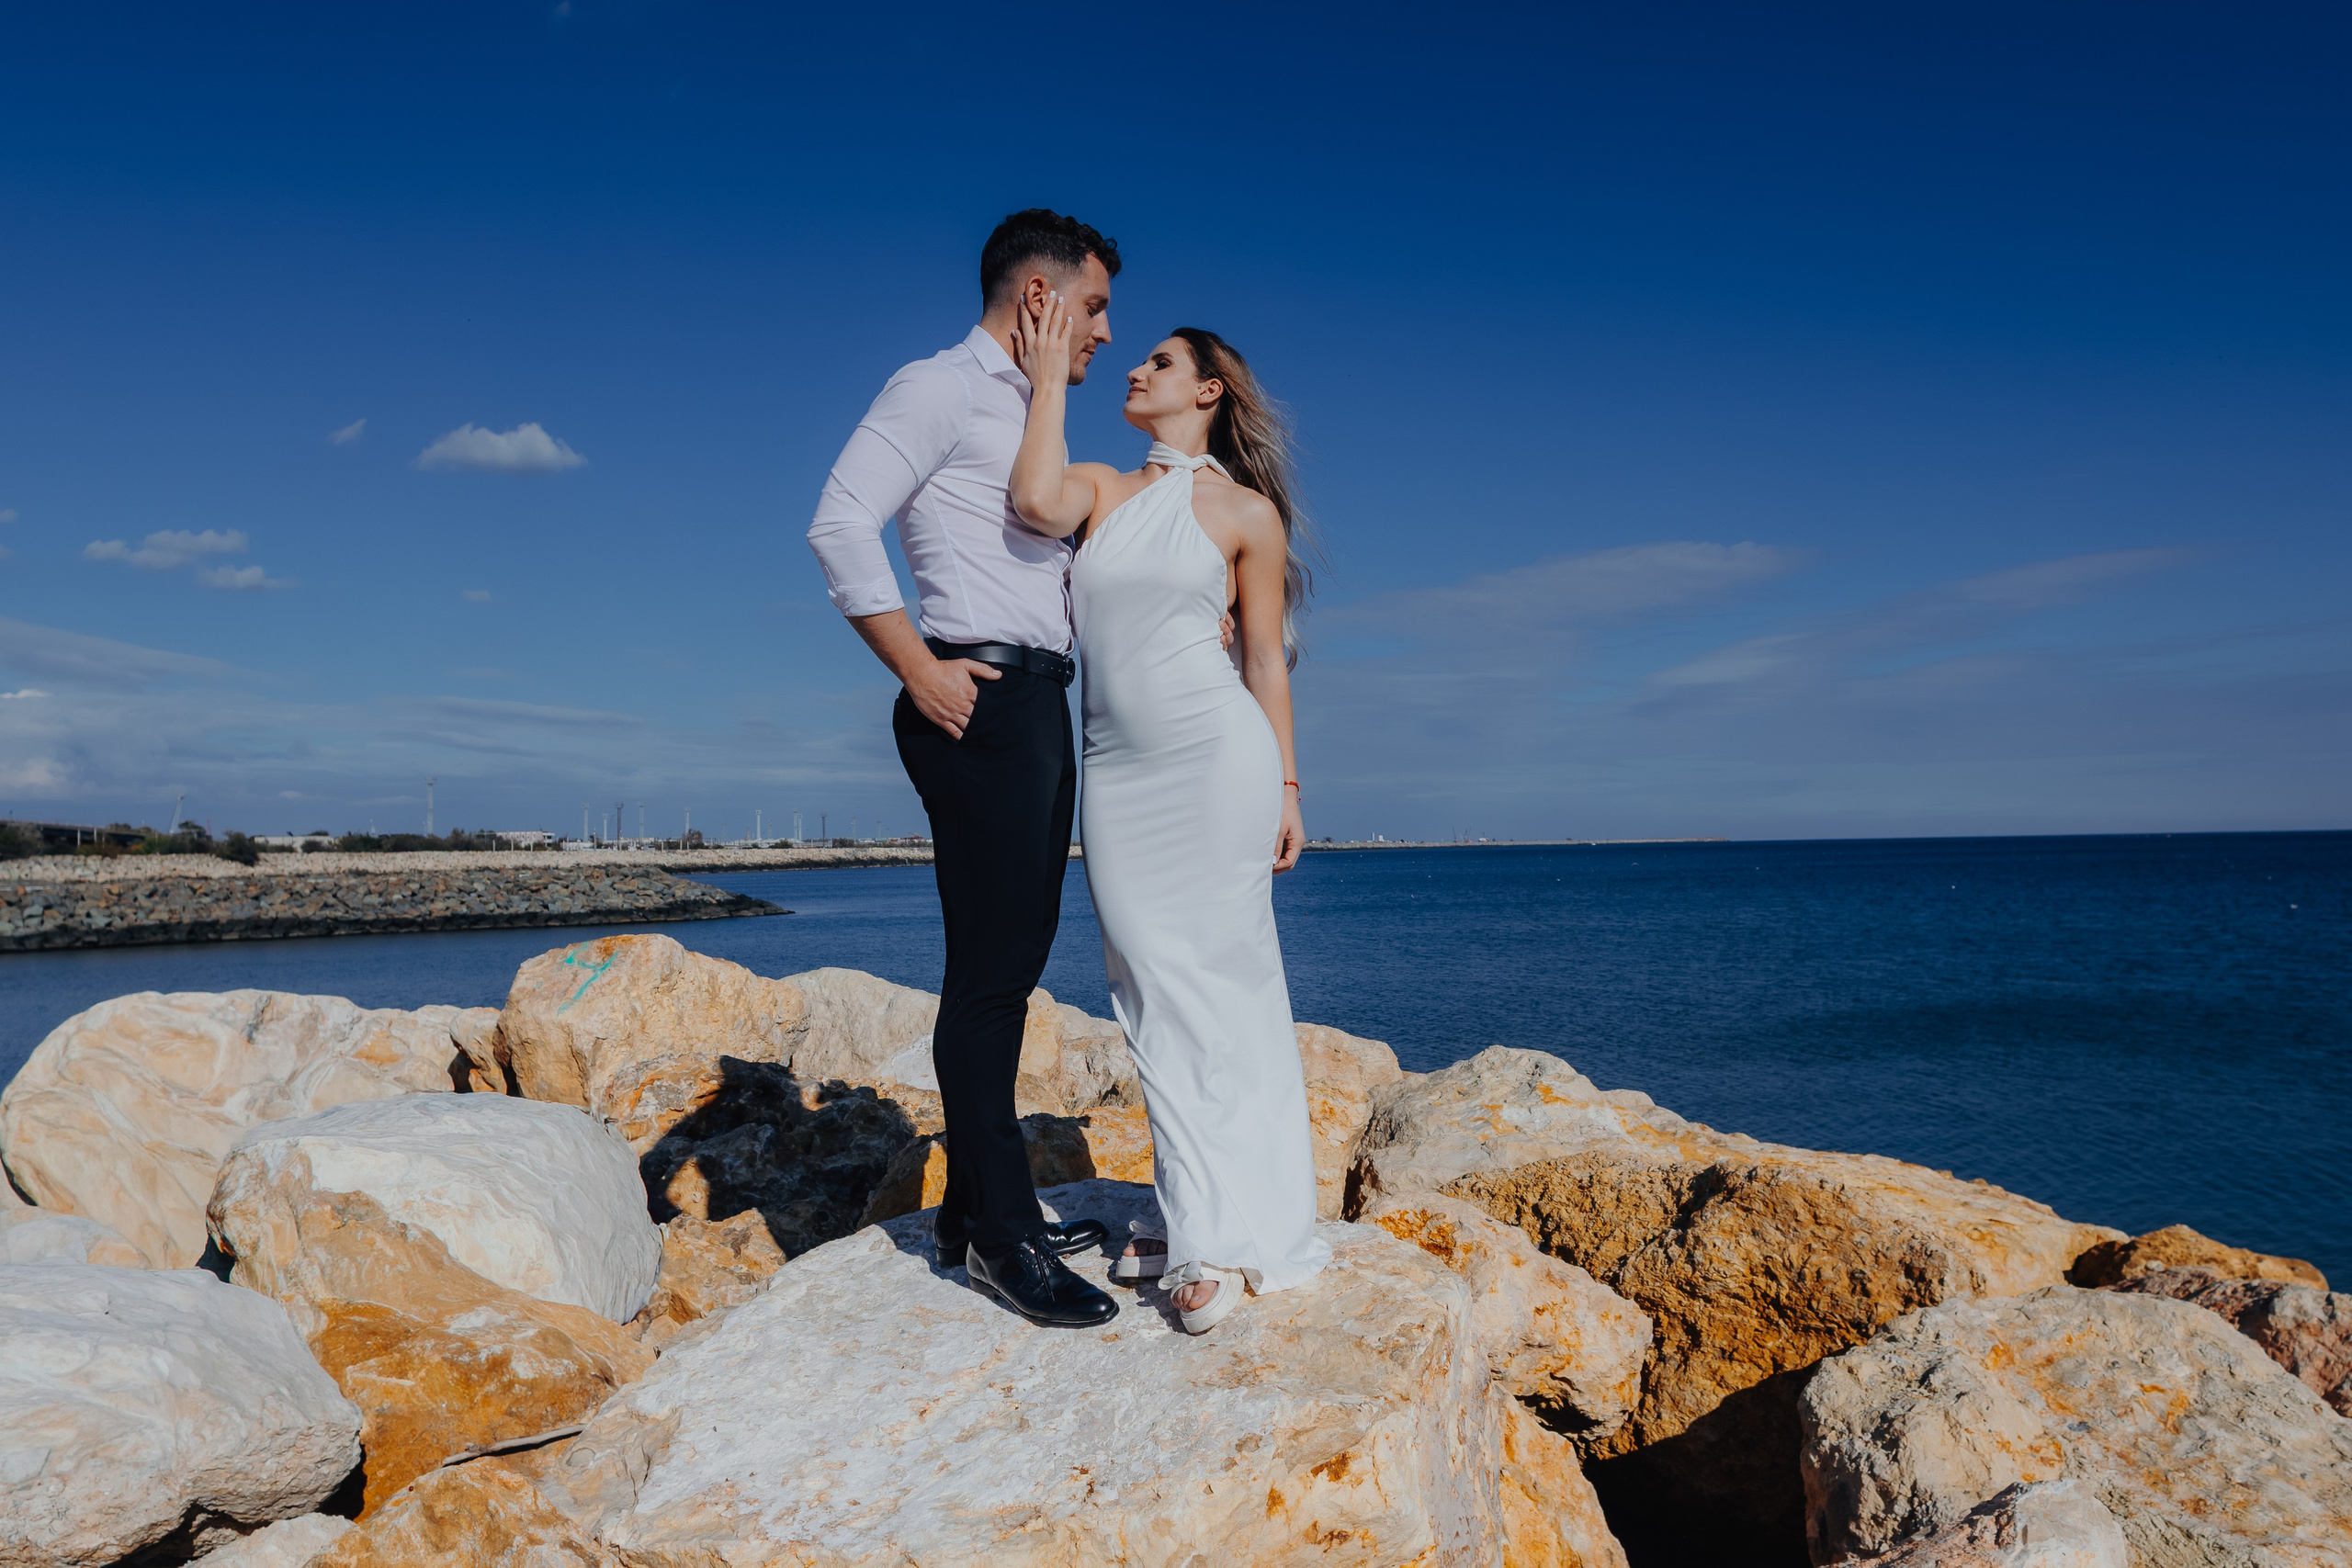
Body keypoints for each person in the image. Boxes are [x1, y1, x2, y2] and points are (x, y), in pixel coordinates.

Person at [806, 209, 1122, 1328]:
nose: (1101, 338)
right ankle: (999, 1238)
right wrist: (918, 668)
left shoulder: (1030, 410)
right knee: (990, 978)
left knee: (1012, 967)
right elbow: (839, 522)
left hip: (1036, 699)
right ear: (1037, 298)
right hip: (975, 700)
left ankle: (974, 1211)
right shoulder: (938, 386)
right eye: (1090, 310)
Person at [1006, 302, 1331, 1334]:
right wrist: (1050, 375)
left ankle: (1210, 1238)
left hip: (1218, 762)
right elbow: (1031, 496)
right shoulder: (1101, 489)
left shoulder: (1246, 516)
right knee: (1148, 988)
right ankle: (1200, 1208)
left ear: (1209, 391)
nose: (1133, 369)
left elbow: (1263, 659)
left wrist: (1287, 788)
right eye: (1133, 358)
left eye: (1159, 361)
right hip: (1117, 775)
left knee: (1230, 991)